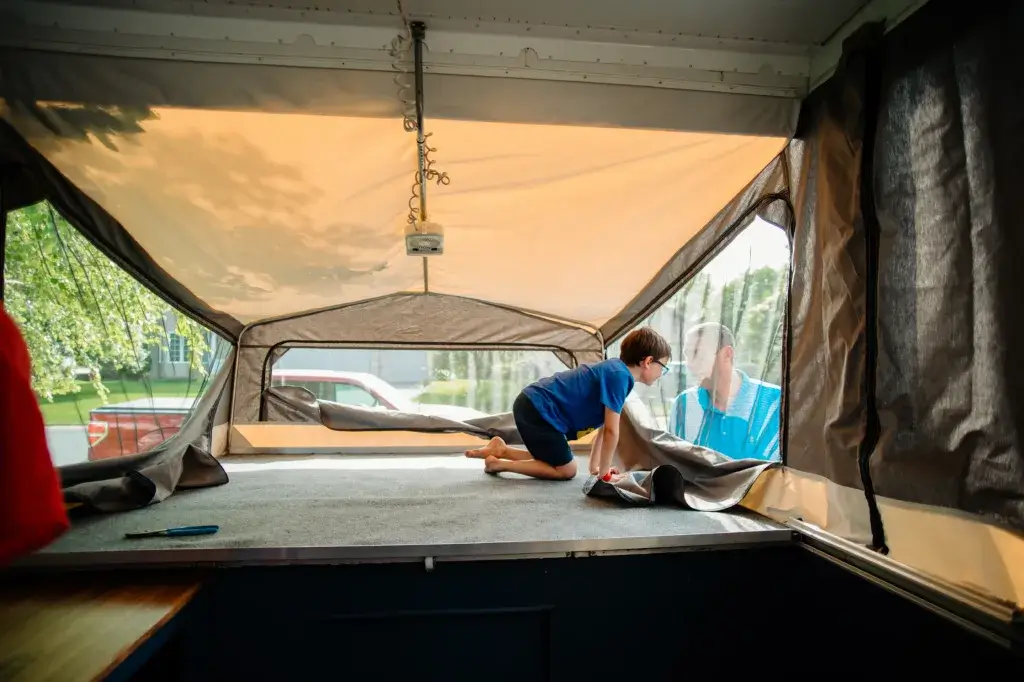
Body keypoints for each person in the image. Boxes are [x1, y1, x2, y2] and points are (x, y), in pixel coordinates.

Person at [465, 327, 672, 480]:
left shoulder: (617, 374)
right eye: (664, 366)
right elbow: (611, 431)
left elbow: (602, 429)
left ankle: (502, 450)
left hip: (534, 405)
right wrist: (605, 476)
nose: (663, 373)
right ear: (647, 361)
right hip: (538, 409)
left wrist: (597, 468)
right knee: (567, 469)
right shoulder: (619, 376)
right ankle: (498, 464)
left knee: (555, 456)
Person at [669, 322, 782, 462]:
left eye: (697, 354)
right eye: (687, 355)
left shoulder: (775, 402)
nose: (690, 365)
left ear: (727, 354)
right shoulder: (684, 404)